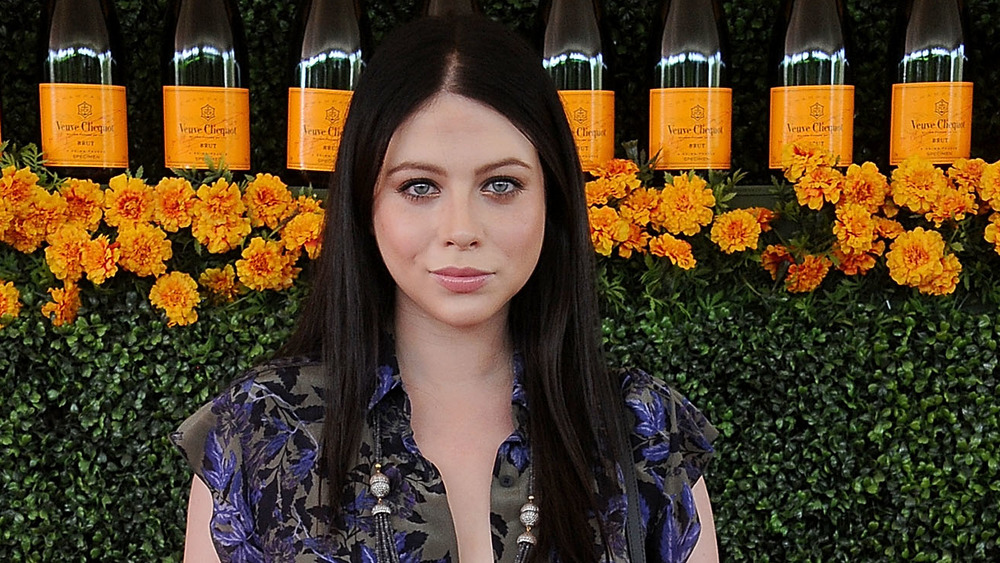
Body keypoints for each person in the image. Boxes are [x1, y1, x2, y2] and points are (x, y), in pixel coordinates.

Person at [172, 14, 718, 563]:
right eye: (419, 187)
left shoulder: (644, 433)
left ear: (552, 203)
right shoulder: (259, 430)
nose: (461, 229)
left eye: (501, 185)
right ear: (367, 205)